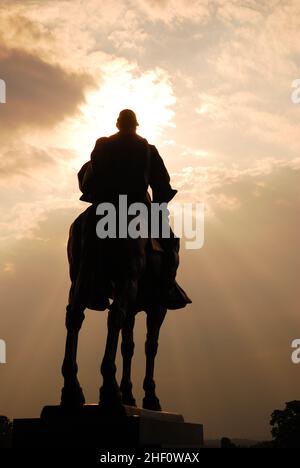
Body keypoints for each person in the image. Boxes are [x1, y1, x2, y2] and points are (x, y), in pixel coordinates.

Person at [78, 109, 186, 307]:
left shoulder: (102, 145)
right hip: (137, 207)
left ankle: (86, 287)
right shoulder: (147, 149)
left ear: (117, 125)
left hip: (104, 207)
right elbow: (161, 186)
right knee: (170, 244)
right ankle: (166, 289)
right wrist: (159, 210)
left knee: (82, 239)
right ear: (135, 126)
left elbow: (86, 182)